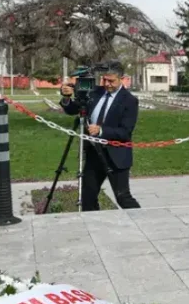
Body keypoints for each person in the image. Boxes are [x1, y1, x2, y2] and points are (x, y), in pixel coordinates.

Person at [59, 60, 142, 210]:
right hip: (93, 155)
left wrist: (101, 130)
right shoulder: (94, 92)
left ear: (122, 79)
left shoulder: (130, 101)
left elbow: (125, 132)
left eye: (112, 81)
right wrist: (66, 98)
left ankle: (144, 222)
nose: (107, 84)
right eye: (104, 80)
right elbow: (73, 109)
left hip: (116, 156)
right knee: (87, 198)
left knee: (123, 197)